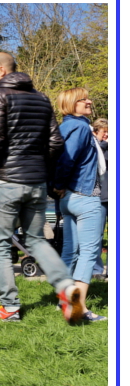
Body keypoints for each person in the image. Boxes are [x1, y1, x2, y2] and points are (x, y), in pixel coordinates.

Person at [0, 52, 84, 323]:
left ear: (2, 70)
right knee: (36, 240)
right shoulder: (41, 98)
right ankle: (66, 287)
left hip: (6, 182)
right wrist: (39, 167)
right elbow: (56, 143)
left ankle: (10, 308)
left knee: (0, 244)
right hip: (36, 183)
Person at [51, 89, 106, 322]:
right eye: (84, 99)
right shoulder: (81, 127)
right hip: (84, 195)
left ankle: (63, 300)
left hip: (69, 198)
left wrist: (59, 187)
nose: (89, 101)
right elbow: (67, 159)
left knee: (70, 251)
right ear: (72, 104)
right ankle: (78, 308)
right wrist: (59, 184)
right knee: (89, 252)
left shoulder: (64, 127)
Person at [91, 118, 109, 280]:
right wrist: (103, 145)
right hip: (99, 197)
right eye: (104, 132)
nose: (107, 135)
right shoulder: (93, 147)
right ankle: (96, 270)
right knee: (96, 236)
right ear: (96, 132)